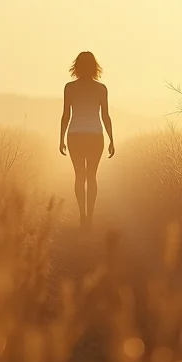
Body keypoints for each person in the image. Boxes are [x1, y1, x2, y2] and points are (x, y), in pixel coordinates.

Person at [59, 51, 115, 229]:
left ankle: (82, 214)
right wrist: (112, 139)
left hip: (75, 135)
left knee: (79, 176)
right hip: (95, 136)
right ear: (94, 67)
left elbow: (66, 115)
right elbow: (105, 115)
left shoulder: (69, 87)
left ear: (76, 66)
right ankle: (89, 215)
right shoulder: (101, 88)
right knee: (92, 176)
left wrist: (61, 139)